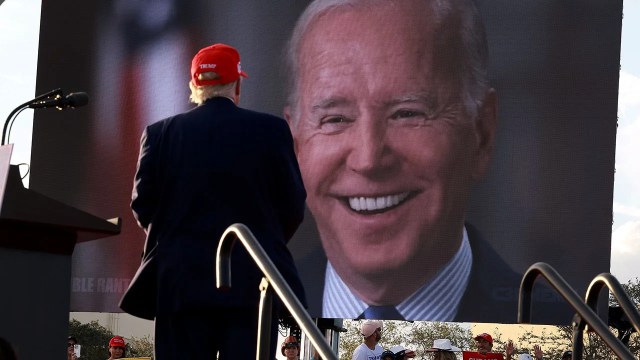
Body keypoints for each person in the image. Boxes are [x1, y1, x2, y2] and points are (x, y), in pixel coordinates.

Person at [283, 0, 534, 323]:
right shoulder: (231, 331)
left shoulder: (583, 341)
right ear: (295, 146)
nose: (369, 159)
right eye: (335, 119)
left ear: (481, 133)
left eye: (408, 113)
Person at [130, 43, 307, 359]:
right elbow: (293, 204)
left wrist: (180, 242)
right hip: (253, 285)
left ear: (195, 86)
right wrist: (261, 243)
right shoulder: (272, 130)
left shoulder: (160, 133)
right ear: (238, 84)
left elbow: (143, 205)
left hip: (179, 287)